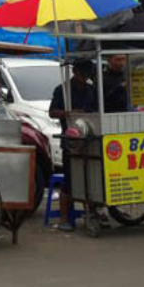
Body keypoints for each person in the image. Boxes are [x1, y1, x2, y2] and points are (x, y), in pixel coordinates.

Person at [48, 59, 99, 232]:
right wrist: (68, 113)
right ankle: (64, 218)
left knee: (92, 178)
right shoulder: (62, 90)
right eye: (82, 74)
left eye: (87, 75)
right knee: (70, 180)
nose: (84, 78)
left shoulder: (91, 90)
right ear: (74, 71)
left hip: (90, 141)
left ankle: (92, 214)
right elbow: (52, 112)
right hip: (70, 142)